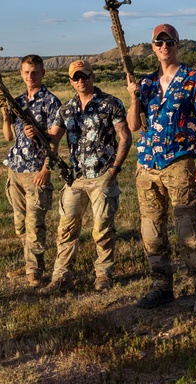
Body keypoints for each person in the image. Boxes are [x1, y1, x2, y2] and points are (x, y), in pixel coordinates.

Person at [126, 24, 196, 313]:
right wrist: (133, 97)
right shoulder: (146, 84)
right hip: (147, 165)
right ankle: (161, 287)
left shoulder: (193, 79)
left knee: (187, 228)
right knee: (152, 231)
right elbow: (133, 126)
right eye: (159, 42)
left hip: (180, 162)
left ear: (178, 45)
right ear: (152, 47)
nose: (164, 47)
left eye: (169, 42)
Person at [41, 60, 131, 294]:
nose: (81, 80)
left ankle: (103, 275)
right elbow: (53, 140)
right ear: (70, 81)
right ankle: (61, 277)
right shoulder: (66, 109)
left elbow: (125, 136)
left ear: (93, 76)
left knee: (102, 228)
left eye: (85, 76)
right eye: (76, 77)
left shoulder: (110, 103)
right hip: (75, 178)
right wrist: (37, 134)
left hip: (102, 176)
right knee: (66, 229)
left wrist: (114, 170)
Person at [2, 55, 62, 288]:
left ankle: (35, 269)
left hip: (36, 170)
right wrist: (6, 118)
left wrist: (47, 169)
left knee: (34, 222)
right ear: (21, 73)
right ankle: (29, 262)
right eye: (26, 72)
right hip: (16, 169)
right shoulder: (17, 102)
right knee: (20, 224)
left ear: (43, 73)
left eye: (35, 72)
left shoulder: (50, 102)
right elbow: (8, 137)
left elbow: (55, 141)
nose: (30, 76)